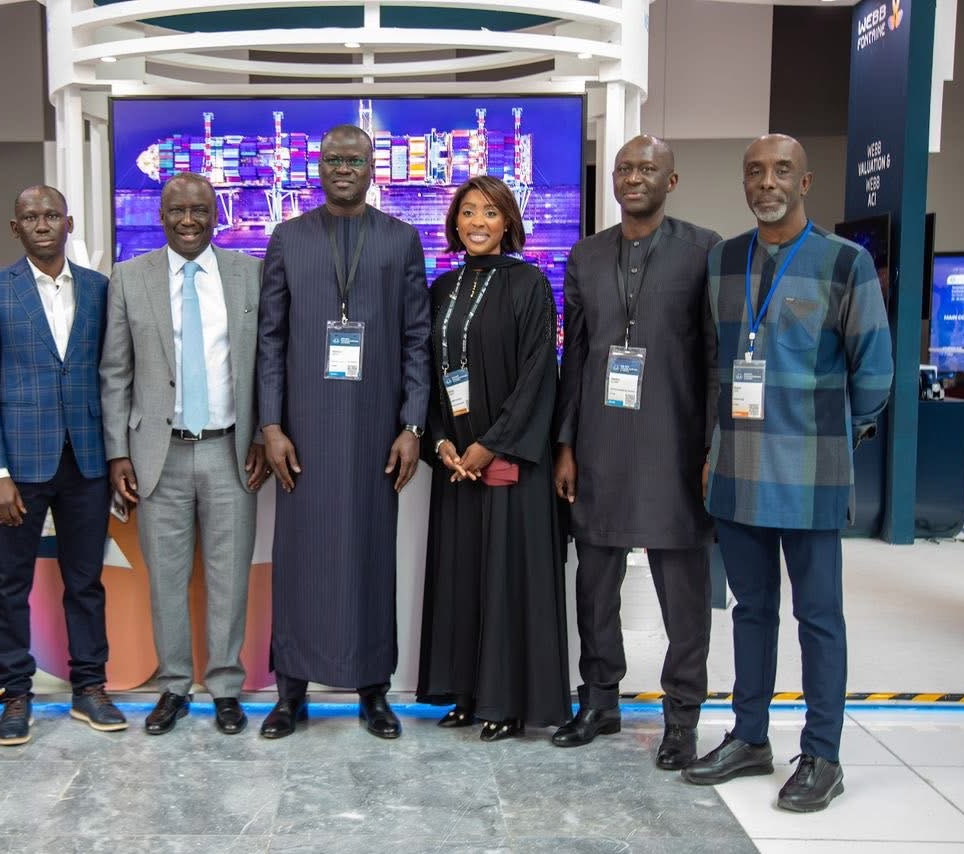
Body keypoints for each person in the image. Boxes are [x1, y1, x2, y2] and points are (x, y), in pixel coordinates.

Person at [682, 134, 893, 812]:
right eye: (754, 171)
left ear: (804, 183)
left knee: (819, 617)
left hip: (810, 473)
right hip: (738, 470)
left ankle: (823, 755)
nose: (765, 182)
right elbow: (718, 367)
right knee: (751, 612)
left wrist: (828, 433)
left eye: (781, 171)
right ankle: (750, 738)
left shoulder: (845, 263)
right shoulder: (722, 261)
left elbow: (877, 376)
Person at [257, 125, 431, 739]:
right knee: (299, 558)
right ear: (317, 166)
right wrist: (271, 425)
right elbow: (270, 340)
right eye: (332, 159)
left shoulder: (400, 240)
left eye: (355, 159)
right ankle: (290, 693)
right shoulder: (288, 239)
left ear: (372, 167)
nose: (343, 168)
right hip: (302, 432)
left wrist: (412, 424)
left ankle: (373, 691)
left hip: (372, 431)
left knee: (367, 554)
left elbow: (417, 339)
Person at [551, 135, 720, 770]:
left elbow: (712, 359)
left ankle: (682, 717)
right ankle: (599, 699)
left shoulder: (703, 250)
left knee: (684, 592)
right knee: (595, 585)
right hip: (598, 443)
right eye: (624, 168)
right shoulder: (586, 254)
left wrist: (710, 448)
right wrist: (565, 442)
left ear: (671, 182)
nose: (633, 178)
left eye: (648, 169)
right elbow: (576, 358)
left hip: (674, 444)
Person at [101, 172, 268, 736]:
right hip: (159, 455)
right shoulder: (129, 278)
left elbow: (268, 365)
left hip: (230, 451)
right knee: (166, 579)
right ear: (161, 215)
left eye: (199, 209)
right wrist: (117, 453)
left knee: (228, 577)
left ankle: (224, 686)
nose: (189, 220)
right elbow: (115, 373)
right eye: (177, 210)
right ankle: (173, 686)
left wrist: (266, 435)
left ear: (216, 214)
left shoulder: (250, 275)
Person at [0, 185, 125, 746]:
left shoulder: (101, 290)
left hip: (86, 461)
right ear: (15, 228)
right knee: (11, 584)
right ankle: (14, 694)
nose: (41, 224)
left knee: (86, 581)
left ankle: (90, 687)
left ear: (69, 222)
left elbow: (113, 375)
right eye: (29, 216)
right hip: (19, 468)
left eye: (51, 215)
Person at [416, 175, 570, 741]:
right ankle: (465, 693)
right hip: (457, 465)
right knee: (462, 578)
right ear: (455, 222)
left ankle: (507, 703)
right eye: (468, 211)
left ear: (509, 222)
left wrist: (491, 445)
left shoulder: (530, 284)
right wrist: (443, 444)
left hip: (509, 464)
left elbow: (537, 377)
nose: (477, 222)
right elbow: (429, 378)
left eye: (490, 212)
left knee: (507, 581)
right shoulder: (442, 289)